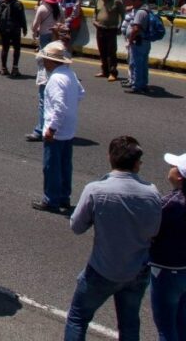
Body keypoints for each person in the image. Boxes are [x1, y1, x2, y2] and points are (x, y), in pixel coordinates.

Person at [64, 136, 162, 340]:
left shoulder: (96, 190)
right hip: (137, 270)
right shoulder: (152, 193)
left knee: (77, 318)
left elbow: (76, 226)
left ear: (110, 158)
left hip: (102, 270)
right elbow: (154, 230)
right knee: (129, 324)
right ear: (137, 164)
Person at [32, 41, 85, 213]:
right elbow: (80, 93)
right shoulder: (71, 74)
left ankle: (51, 199)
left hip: (57, 130)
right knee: (65, 165)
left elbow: (59, 106)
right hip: (69, 128)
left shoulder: (55, 79)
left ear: (51, 61)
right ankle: (64, 197)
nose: (44, 63)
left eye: (45, 59)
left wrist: (52, 128)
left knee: (51, 165)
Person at [151, 152, 186, 341]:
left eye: (174, 166)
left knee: (166, 327)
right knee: (182, 322)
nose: (170, 168)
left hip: (167, 270)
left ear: (180, 176)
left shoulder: (169, 204)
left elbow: (150, 232)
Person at [92, 0, 124, 82]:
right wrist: (94, 21)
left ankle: (113, 72)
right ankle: (104, 71)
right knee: (102, 51)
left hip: (111, 29)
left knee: (111, 52)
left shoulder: (117, 0)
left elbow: (123, 15)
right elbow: (95, 12)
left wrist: (120, 27)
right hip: (100, 28)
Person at [124, 0, 151, 94]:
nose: (132, 2)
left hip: (138, 41)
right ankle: (143, 84)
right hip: (145, 42)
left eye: (134, 0)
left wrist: (130, 40)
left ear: (140, 1)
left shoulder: (140, 12)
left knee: (136, 64)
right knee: (143, 64)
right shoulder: (147, 10)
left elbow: (136, 29)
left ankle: (137, 86)